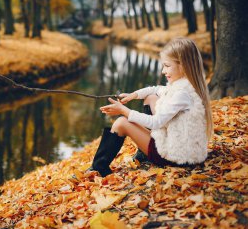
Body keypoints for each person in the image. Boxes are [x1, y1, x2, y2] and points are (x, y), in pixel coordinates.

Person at [89, 37, 213, 177]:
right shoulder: (186, 85)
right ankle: (144, 152)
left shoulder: (181, 94)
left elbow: (156, 122)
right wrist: (134, 95)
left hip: (176, 157)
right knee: (151, 97)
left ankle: (98, 168)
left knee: (121, 123)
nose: (162, 71)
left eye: (167, 66)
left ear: (183, 65)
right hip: (185, 150)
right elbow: (155, 89)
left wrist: (124, 110)